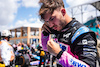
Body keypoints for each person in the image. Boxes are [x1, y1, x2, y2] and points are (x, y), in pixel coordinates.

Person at [39, 0, 97, 67]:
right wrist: (45, 33)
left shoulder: (83, 33)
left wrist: (59, 54)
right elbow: (46, 49)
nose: (50, 25)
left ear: (63, 12)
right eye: (47, 21)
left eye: (52, 19)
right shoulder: (58, 28)